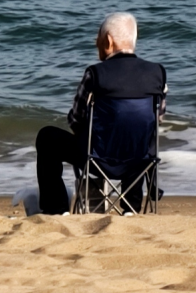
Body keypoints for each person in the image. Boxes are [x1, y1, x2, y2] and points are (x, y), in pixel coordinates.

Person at [32, 12, 167, 214]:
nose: (96, 42)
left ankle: (57, 209)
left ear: (109, 41)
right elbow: (157, 119)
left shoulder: (95, 74)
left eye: (98, 38)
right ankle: (131, 208)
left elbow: (75, 120)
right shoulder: (157, 73)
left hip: (97, 159)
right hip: (139, 163)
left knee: (47, 137)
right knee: (137, 135)